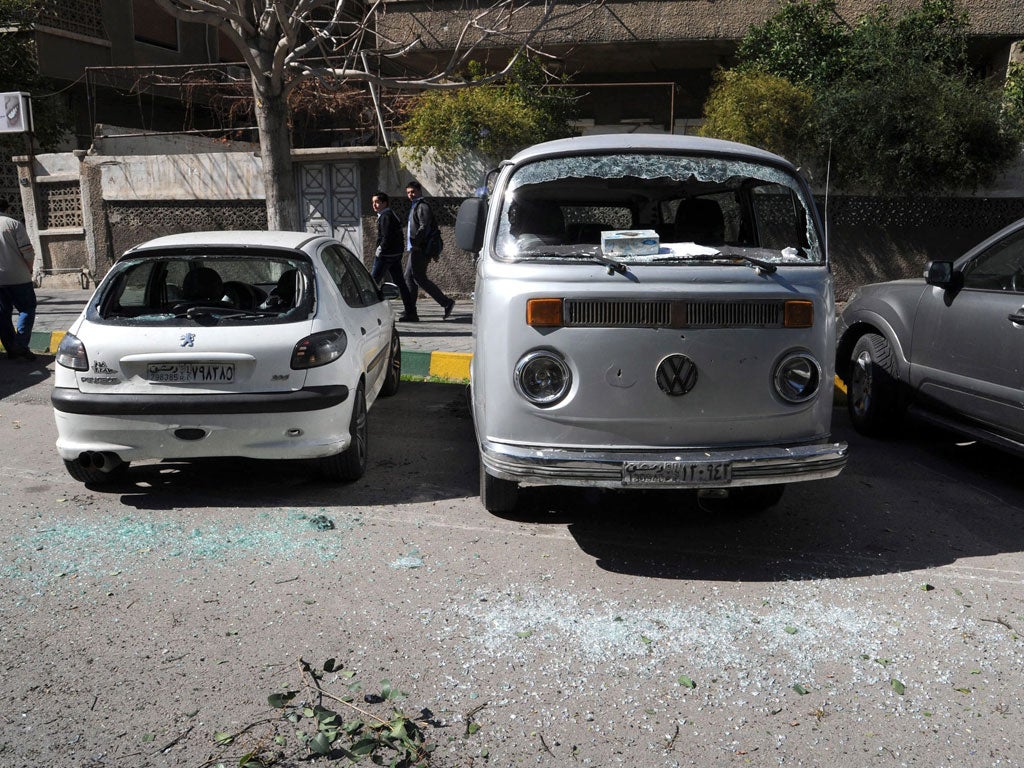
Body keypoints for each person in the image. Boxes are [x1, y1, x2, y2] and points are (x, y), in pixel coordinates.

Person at [404, 180, 454, 321]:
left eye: (413, 192)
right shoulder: (415, 206)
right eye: (408, 193)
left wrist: (416, 243)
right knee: (409, 277)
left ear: (420, 191)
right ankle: (411, 312)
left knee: (418, 278)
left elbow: (424, 227)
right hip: (415, 248)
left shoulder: (422, 206)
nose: (410, 195)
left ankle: (446, 302)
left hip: (419, 248)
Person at [369, 191, 418, 320]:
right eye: (373, 202)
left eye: (377, 202)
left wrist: (380, 249)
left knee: (372, 283)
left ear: (384, 203)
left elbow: (386, 236)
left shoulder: (386, 216)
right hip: (395, 254)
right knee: (400, 283)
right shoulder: (389, 214)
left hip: (386, 255)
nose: (374, 205)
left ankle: (370, 314)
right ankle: (411, 312)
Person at [0, 197, 37, 362]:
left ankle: (11, 348)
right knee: (27, 309)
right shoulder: (13, 224)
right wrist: (29, 268)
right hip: (19, 277)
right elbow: (28, 252)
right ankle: (21, 345)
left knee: (2, 314)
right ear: (7, 208)